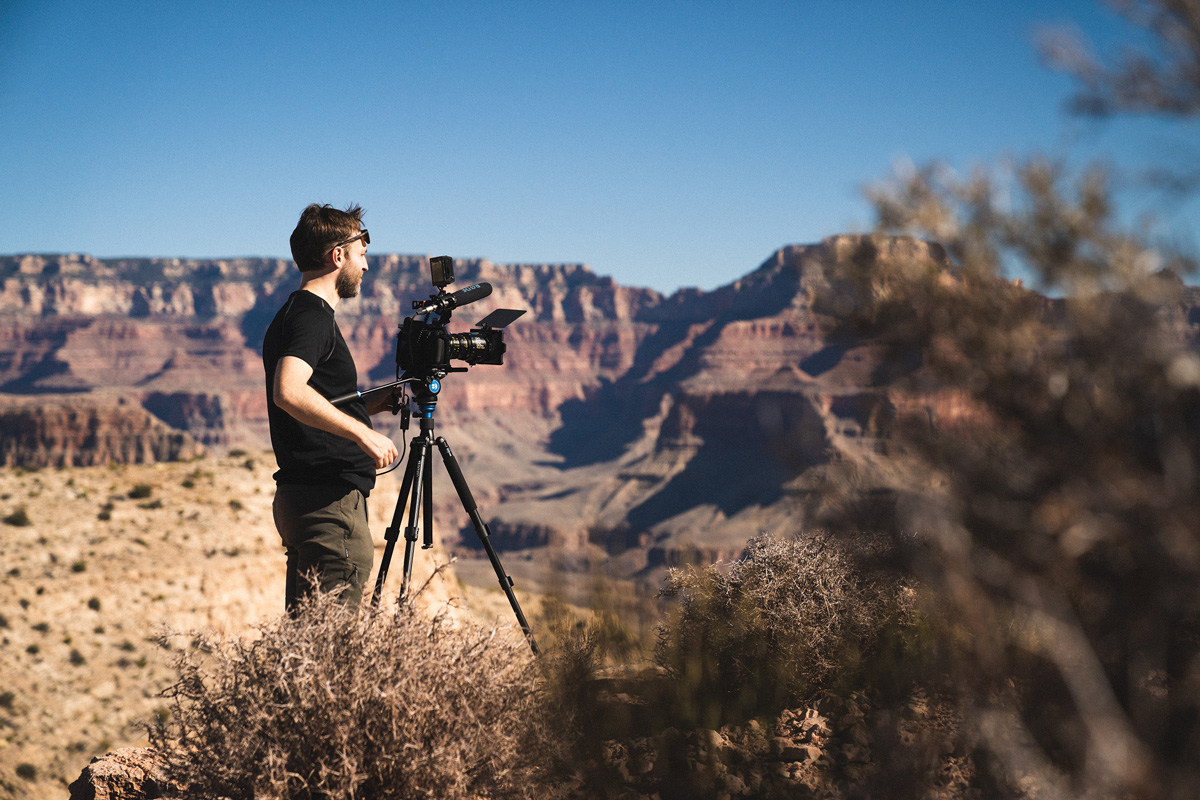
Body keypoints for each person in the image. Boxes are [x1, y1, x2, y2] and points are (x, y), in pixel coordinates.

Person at [263, 203, 399, 611]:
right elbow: (288, 391)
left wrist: (370, 406)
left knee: (307, 648)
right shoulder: (312, 318)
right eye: (362, 255)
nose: (366, 268)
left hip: (306, 497)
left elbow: (316, 399)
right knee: (330, 655)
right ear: (337, 256)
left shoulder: (293, 313)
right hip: (328, 506)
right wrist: (363, 432)